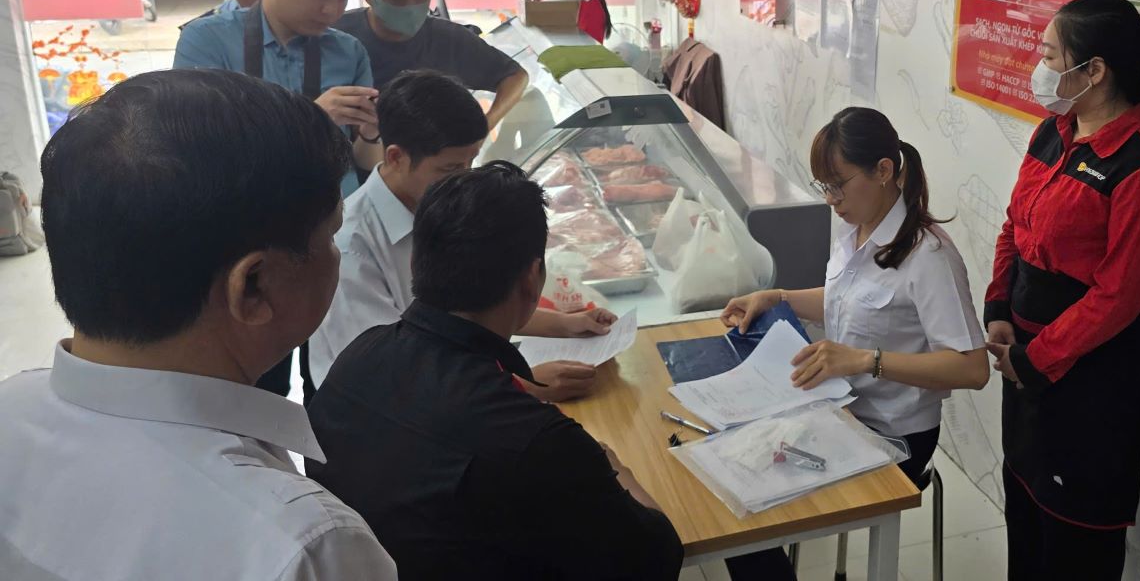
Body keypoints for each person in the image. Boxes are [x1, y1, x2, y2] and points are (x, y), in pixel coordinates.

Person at [0, 70, 396, 580]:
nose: (338, 255)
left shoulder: (10, 409)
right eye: (333, 234)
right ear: (253, 286)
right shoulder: (302, 546)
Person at [306, 162, 683, 580]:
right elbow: (658, 558)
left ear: (418, 263)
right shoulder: (538, 442)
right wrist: (615, 466)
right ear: (532, 279)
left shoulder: (357, 358)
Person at [720, 108, 988, 580]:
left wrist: (866, 361)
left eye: (838, 184)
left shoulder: (929, 256)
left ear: (883, 171)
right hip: (839, 411)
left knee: (750, 516)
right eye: (823, 185)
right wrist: (777, 297)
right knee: (729, 482)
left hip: (895, 435)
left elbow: (972, 368)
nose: (830, 199)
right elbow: (849, 305)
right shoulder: (853, 231)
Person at [984, 0, 1140, 581]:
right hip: (1025, 355)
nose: (1039, 66)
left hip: (1091, 372)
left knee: (1076, 539)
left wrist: (1037, 360)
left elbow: (1119, 297)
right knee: (1023, 511)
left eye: (1050, 55)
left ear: (1093, 70)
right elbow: (1015, 224)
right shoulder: (1055, 130)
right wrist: (1000, 304)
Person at [309, 68, 617, 401]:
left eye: (472, 162)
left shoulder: (441, 210)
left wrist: (565, 325)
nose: (464, 179)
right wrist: (523, 387)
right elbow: (391, 374)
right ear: (396, 157)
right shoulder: (352, 248)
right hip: (379, 418)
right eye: (451, 169)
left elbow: (476, 306)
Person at [175, 0, 382, 400]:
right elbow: (198, 148)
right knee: (251, 384)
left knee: (337, 381)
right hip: (246, 242)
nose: (332, 10)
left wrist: (375, 132)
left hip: (329, 236)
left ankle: (328, 476)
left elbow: (362, 160)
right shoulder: (207, 42)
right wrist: (311, 116)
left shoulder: (347, 50)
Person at [334, 0, 529, 129]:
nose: (411, 6)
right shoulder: (336, 39)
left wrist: (483, 128)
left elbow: (515, 77)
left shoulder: (449, 39)